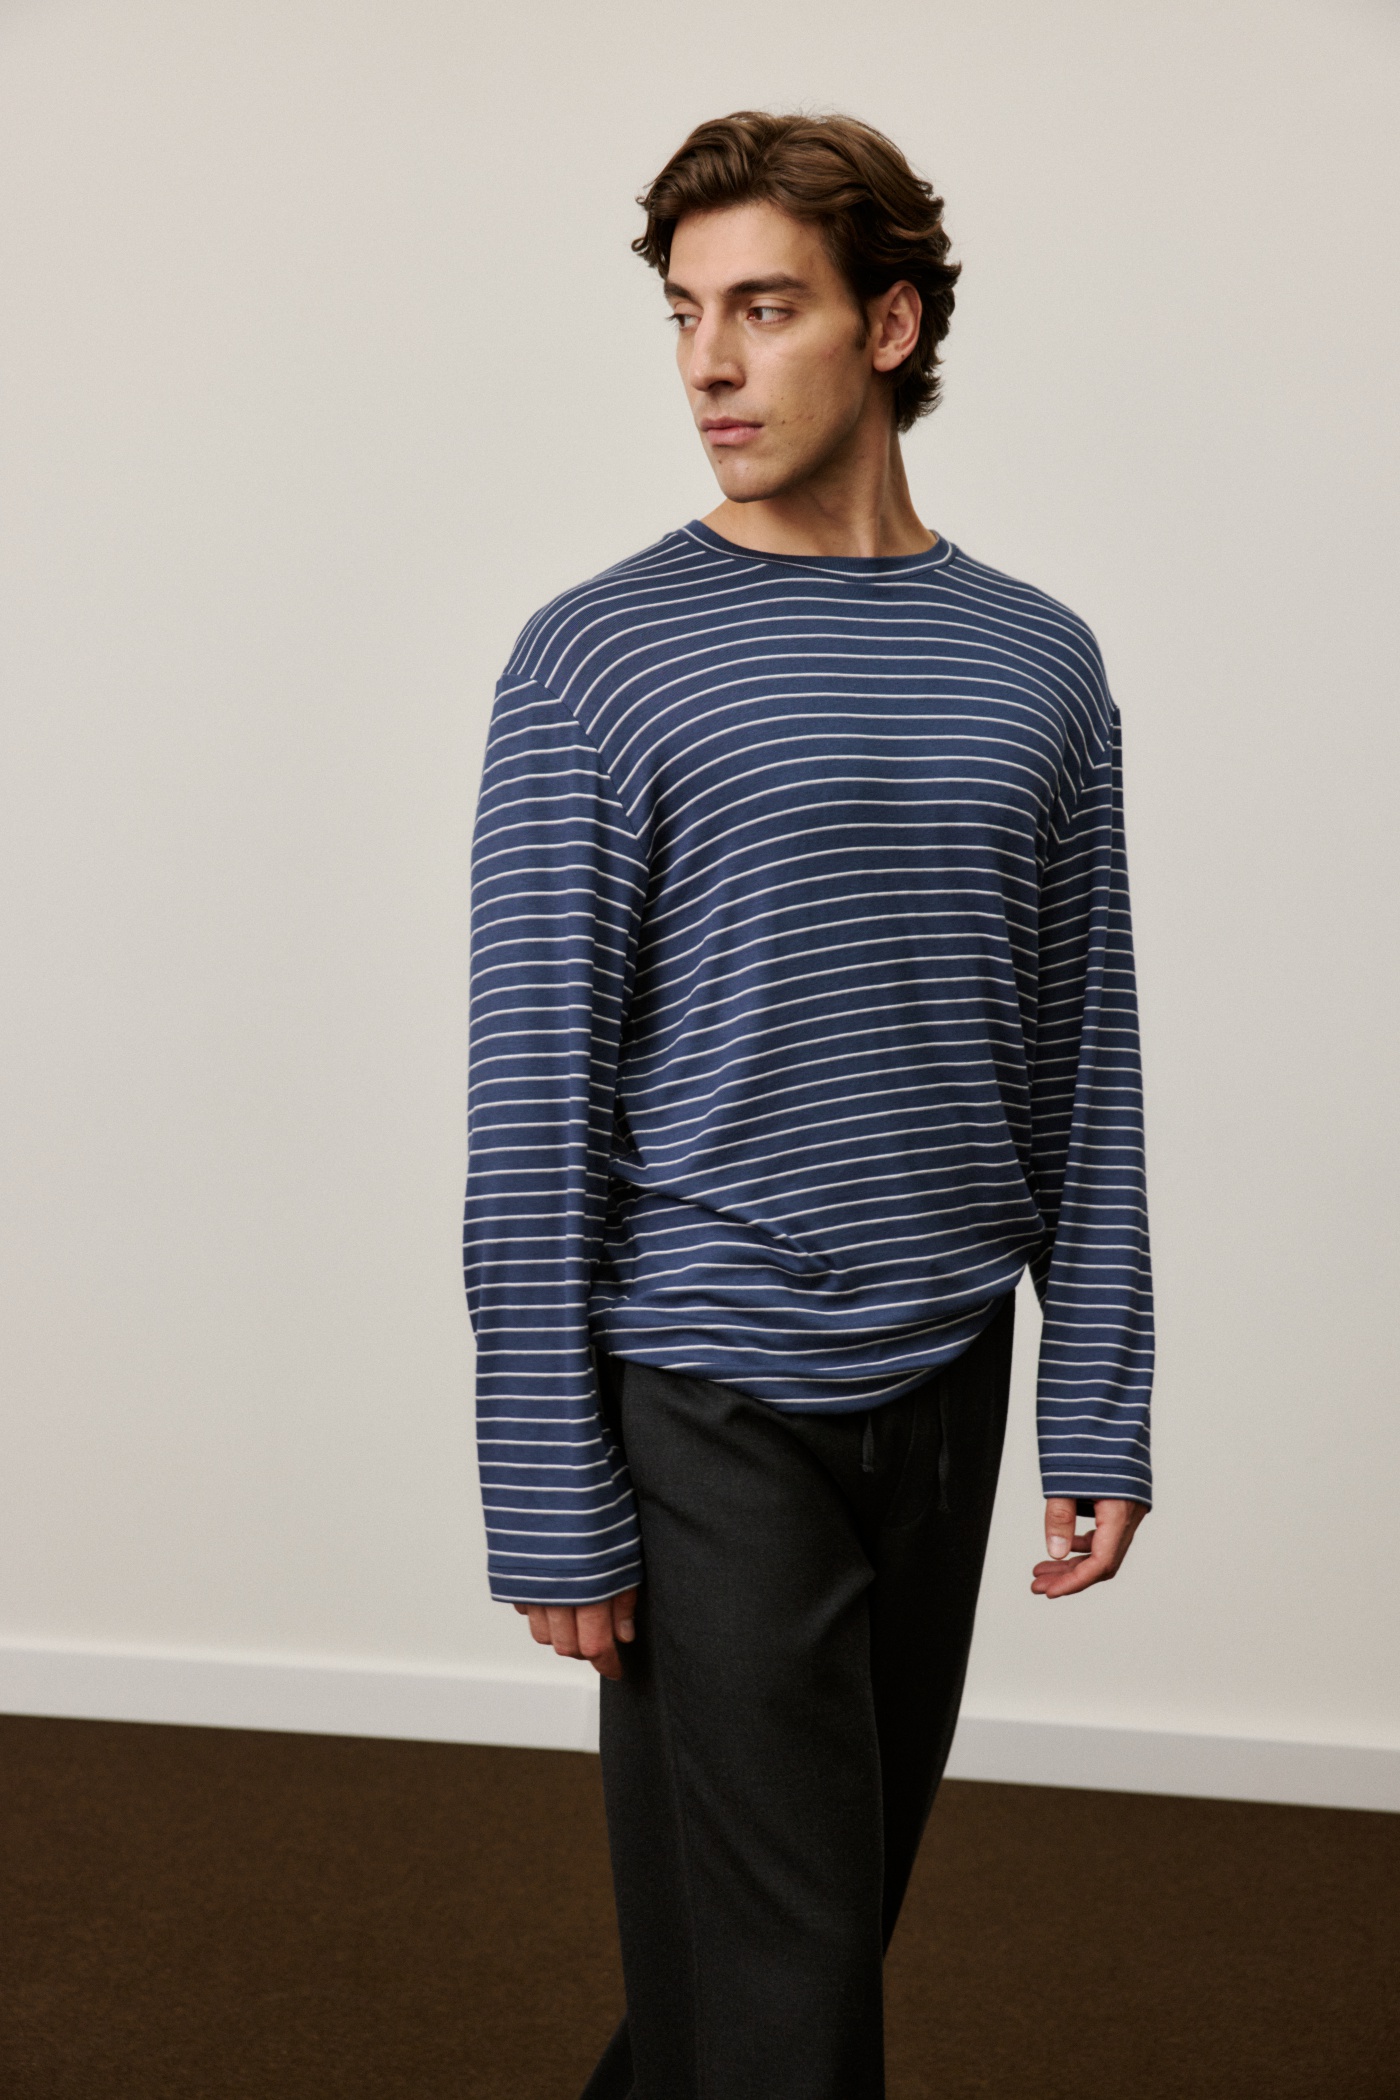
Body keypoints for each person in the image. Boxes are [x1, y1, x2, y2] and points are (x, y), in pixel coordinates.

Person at [463, 109, 1153, 2100]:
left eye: (762, 309)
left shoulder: (1039, 664)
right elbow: (532, 1101)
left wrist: (1098, 1388)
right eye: (685, 315)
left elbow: (1083, 1057)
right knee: (788, 1991)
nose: (707, 364)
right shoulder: (599, 659)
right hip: (708, 1397)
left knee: (787, 1944)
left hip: (945, 1378)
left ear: (890, 324)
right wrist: (547, 1487)